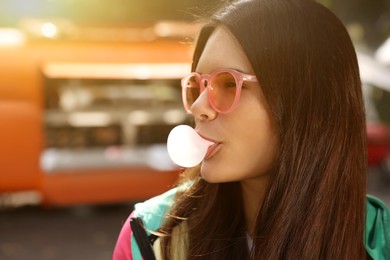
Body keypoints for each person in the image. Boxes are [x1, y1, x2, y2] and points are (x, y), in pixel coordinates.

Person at [113, 0, 390, 259]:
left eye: (229, 84)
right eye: (198, 84)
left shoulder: (381, 241)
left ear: (308, 103)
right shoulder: (151, 237)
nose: (198, 107)